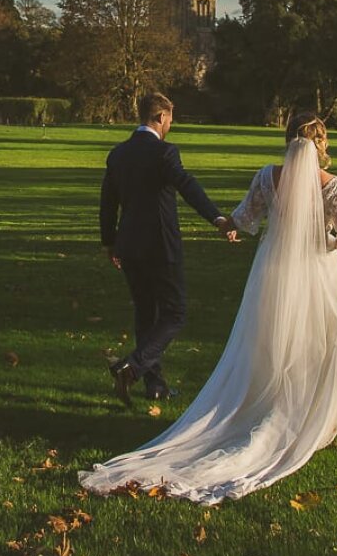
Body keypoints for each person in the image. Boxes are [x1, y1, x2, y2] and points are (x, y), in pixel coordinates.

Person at [81, 113, 337, 504]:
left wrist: (224, 223)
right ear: (323, 143)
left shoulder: (268, 176)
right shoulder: (336, 186)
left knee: (266, 338)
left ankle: (263, 402)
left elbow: (245, 217)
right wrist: (324, 240)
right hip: (317, 272)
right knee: (313, 339)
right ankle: (302, 415)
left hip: (273, 270)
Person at [98, 92, 239, 405]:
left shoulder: (117, 154)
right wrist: (216, 218)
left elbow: (108, 202)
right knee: (175, 313)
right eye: (170, 120)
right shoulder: (164, 153)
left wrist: (109, 241)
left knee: (146, 313)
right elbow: (187, 185)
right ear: (160, 117)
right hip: (160, 245)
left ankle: (155, 385)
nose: (170, 126)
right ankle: (131, 368)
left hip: (129, 244)